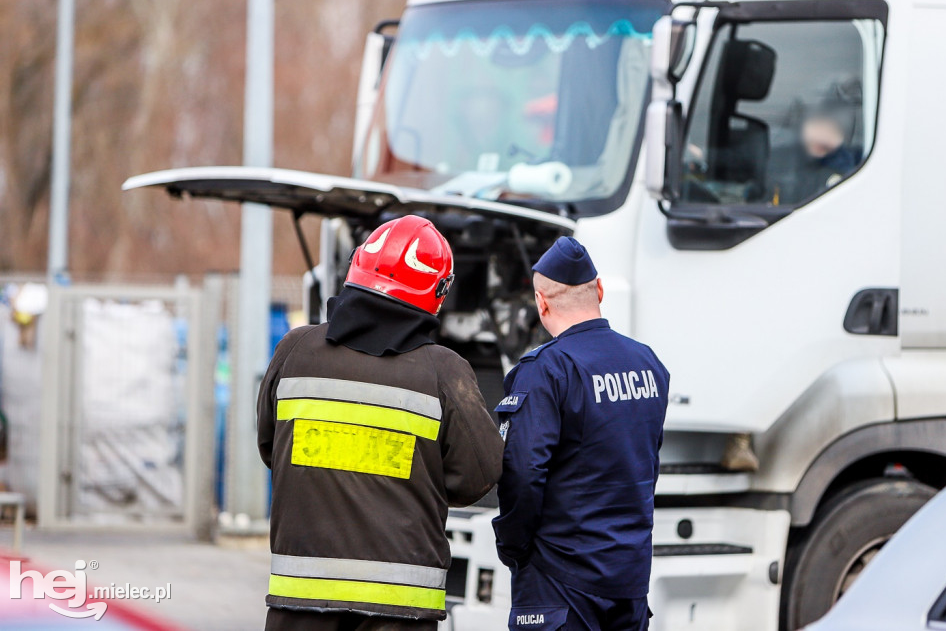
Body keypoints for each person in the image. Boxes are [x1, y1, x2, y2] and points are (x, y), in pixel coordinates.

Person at [257, 215, 504, 631]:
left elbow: (271, 447)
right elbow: (478, 478)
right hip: (399, 612)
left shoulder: (293, 351)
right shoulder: (444, 372)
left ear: (357, 266)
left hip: (298, 603)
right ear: (438, 290)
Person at [493, 236, 670, 631]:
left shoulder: (547, 371)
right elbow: (647, 464)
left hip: (561, 582)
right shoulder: (648, 364)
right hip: (628, 581)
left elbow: (522, 473)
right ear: (600, 290)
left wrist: (513, 546)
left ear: (542, 303)